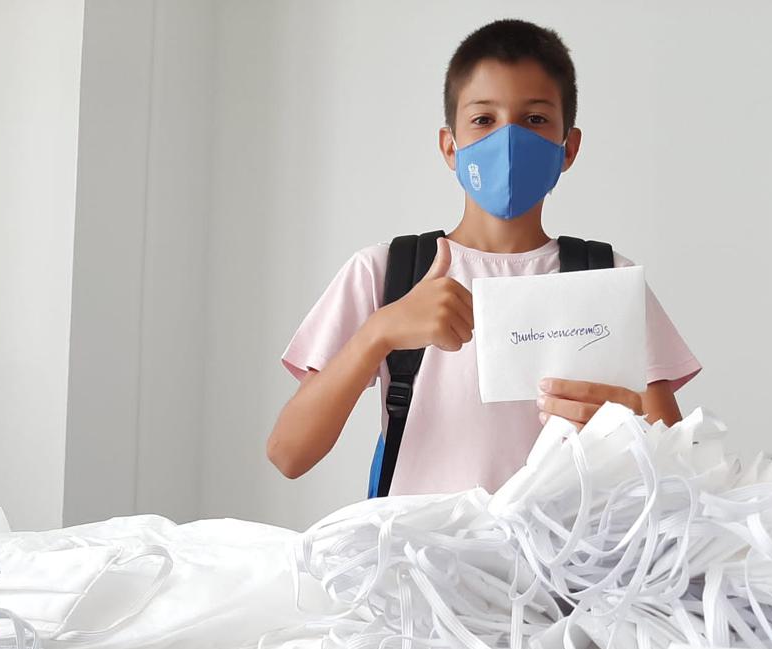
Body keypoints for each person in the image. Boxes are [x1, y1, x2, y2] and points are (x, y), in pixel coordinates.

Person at [267, 19, 700, 496]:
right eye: (483, 120)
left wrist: (629, 426)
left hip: (565, 567)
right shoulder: (387, 272)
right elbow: (289, 453)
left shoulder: (609, 278)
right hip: (417, 565)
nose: (508, 141)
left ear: (568, 148)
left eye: (535, 120)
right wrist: (380, 331)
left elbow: (681, 479)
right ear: (449, 146)